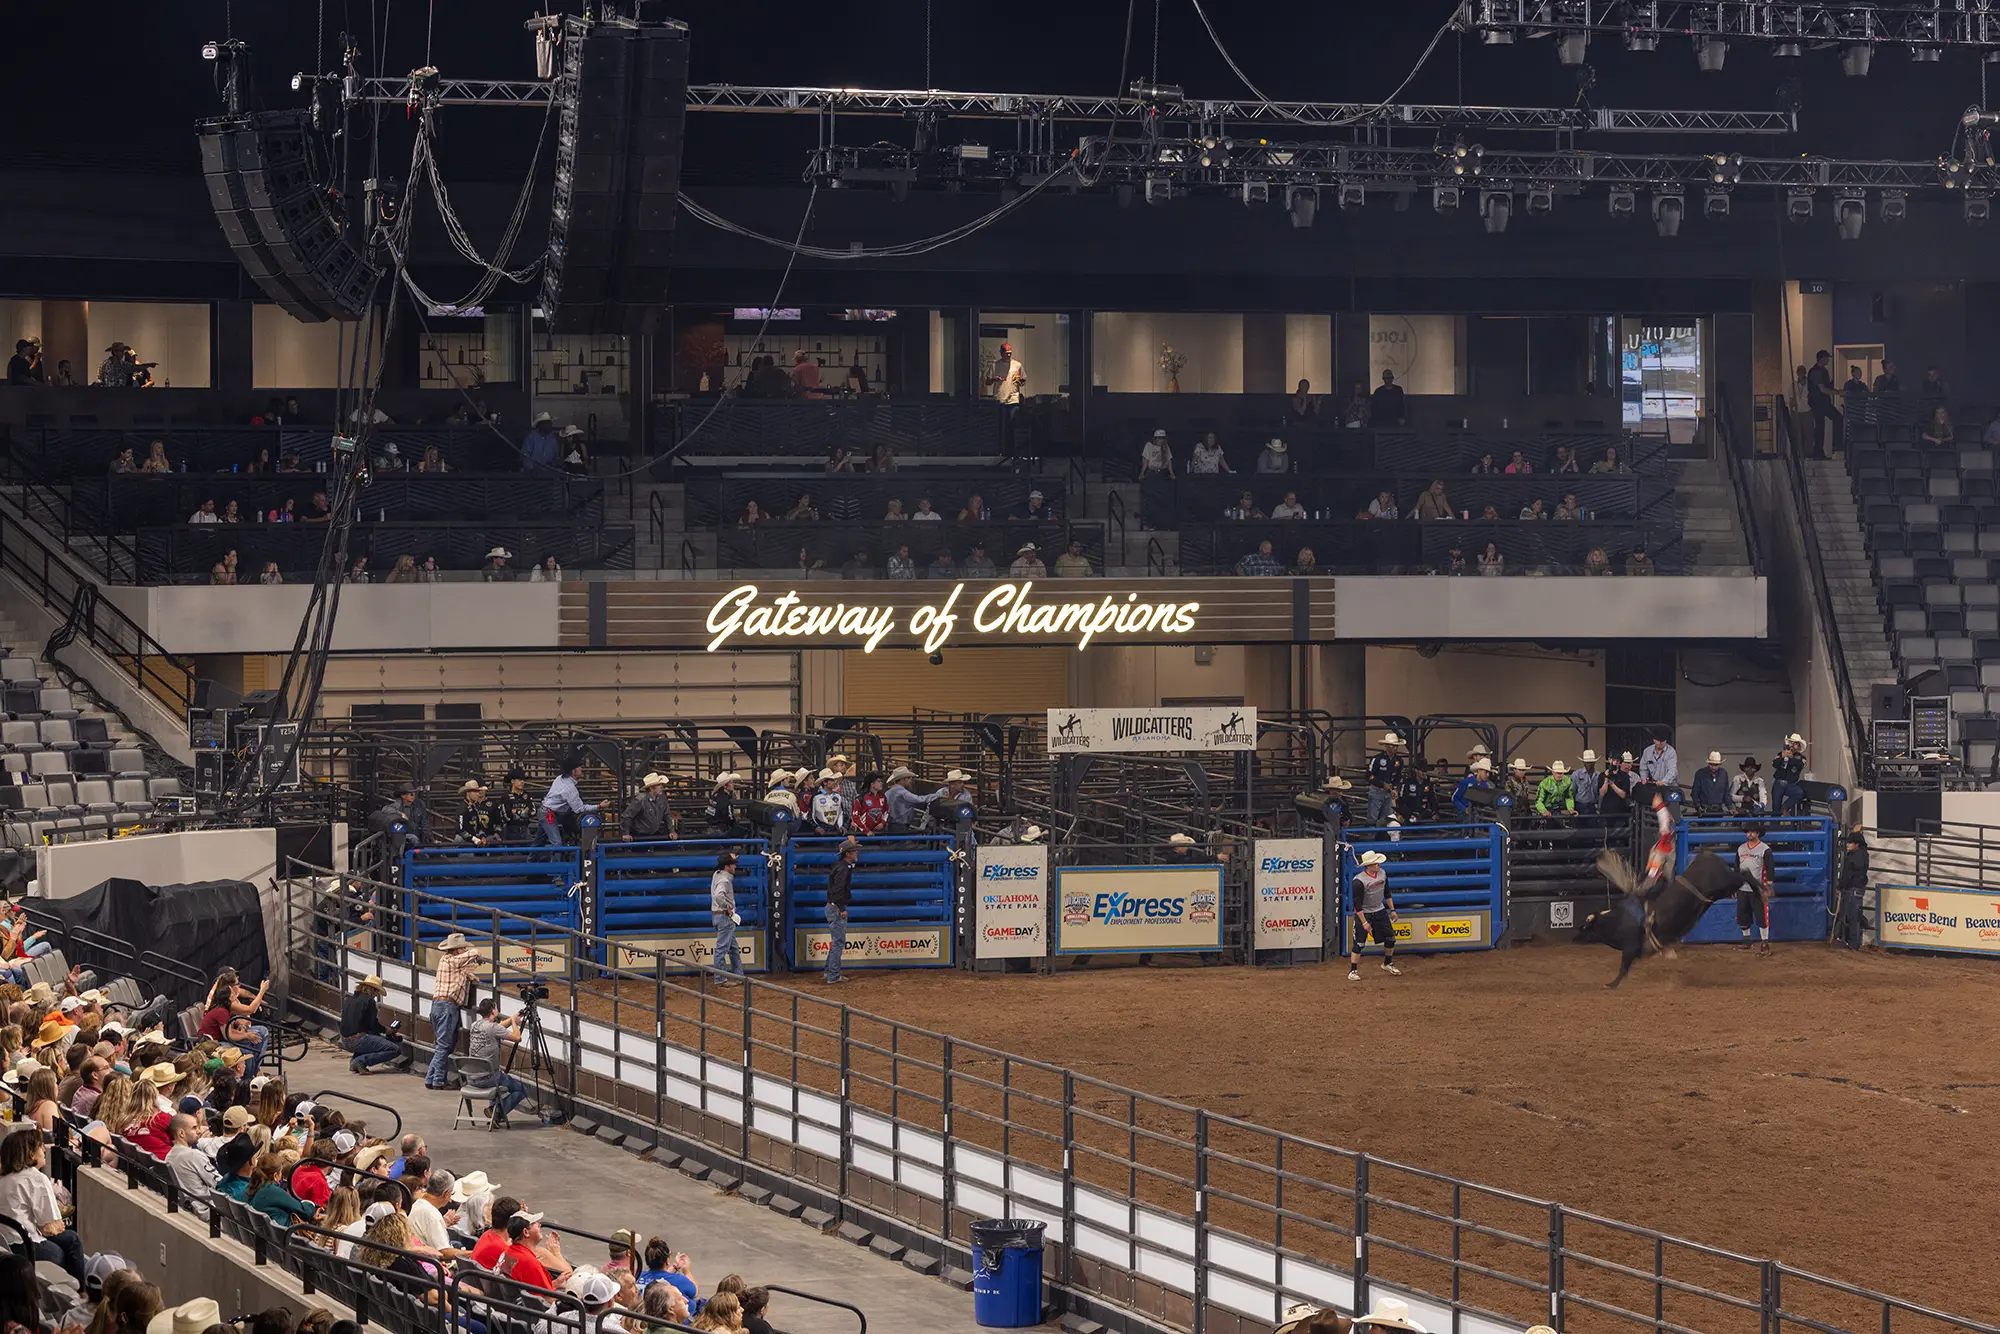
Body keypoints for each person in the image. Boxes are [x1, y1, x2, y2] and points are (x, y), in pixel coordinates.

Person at [0, 1128, 82, 1279]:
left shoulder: (3, 1179)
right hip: (23, 1245)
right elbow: (49, 1227)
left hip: (5, 1244)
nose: (44, 1149)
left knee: (69, 1239)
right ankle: (78, 1293)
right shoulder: (36, 1178)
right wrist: (54, 1225)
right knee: (69, 1243)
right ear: (31, 1153)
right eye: (41, 1145)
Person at [425, 933, 481, 1091]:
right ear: (456, 950)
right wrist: (477, 956)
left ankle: (431, 1078)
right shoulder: (451, 960)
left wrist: (470, 975)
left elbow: (460, 971)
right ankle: (437, 1081)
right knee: (444, 1045)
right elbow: (474, 952)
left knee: (443, 1045)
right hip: (446, 1007)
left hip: (440, 1005)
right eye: (462, 948)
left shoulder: (448, 961)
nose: (464, 950)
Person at [464, 999, 530, 1126]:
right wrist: (514, 1023)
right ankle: (496, 1112)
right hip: (489, 1078)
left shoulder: (475, 1025)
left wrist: (511, 1019)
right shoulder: (493, 1028)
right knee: (522, 1090)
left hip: (471, 1077)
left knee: (500, 1079)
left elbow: (497, 1028)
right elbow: (517, 1038)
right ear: (493, 1011)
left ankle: (494, 1113)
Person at [199, 969, 270, 1071]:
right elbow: (228, 1036)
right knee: (247, 1051)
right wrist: (246, 1035)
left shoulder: (224, 1008)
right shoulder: (221, 1011)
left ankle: (254, 1070)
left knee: (258, 1034)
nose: (235, 995)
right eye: (232, 994)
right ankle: (249, 1075)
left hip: (222, 1039)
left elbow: (232, 1030)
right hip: (213, 1043)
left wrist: (242, 1028)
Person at [1347, 850, 1400, 981]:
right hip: (1364, 913)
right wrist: (1364, 922)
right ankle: (1353, 970)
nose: (1378, 865)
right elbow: (1357, 905)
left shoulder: (1382, 874)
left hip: (1379, 910)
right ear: (1368, 865)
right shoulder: (1358, 881)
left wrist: (1392, 910)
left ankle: (1387, 963)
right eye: (1375, 863)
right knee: (1359, 943)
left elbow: (1387, 893)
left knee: (1390, 938)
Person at [340, 975, 404, 1075]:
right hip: (358, 1039)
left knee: (373, 1039)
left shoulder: (349, 999)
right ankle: (359, 1062)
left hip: (344, 1040)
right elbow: (373, 1025)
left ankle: (355, 1061)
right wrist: (386, 1030)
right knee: (394, 1049)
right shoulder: (369, 1001)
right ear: (373, 990)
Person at [539, 756, 611, 846]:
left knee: (539, 841)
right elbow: (579, 809)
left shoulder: (560, 778)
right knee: (557, 844)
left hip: (548, 811)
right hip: (549, 814)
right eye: (578, 767)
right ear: (573, 771)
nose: (581, 769)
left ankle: (531, 859)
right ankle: (557, 860)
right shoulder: (569, 788)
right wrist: (599, 806)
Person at [1735, 825, 1774, 957]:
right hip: (1742, 887)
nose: (1749, 834)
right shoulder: (1741, 848)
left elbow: (1770, 868)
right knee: (1743, 915)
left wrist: (1768, 886)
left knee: (1761, 916)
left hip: (1757, 889)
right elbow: (1736, 868)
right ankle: (1747, 941)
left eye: (1752, 831)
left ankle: (1765, 943)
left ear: (1758, 833)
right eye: (1748, 832)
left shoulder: (1765, 849)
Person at [822, 838, 857, 985]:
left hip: (832, 906)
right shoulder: (844, 868)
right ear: (848, 854)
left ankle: (829, 971)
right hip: (836, 907)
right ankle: (833, 975)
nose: (857, 853)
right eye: (854, 851)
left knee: (836, 942)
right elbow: (838, 890)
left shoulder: (841, 866)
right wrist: (842, 908)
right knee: (838, 942)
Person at [711, 853, 742, 984]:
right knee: (722, 949)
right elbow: (718, 896)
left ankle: (738, 976)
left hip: (718, 916)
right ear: (727, 866)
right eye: (733, 864)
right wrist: (728, 909)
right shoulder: (724, 880)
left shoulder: (717, 874)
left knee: (733, 948)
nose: (735, 866)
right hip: (724, 917)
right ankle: (720, 978)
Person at [1834, 827, 1868, 949]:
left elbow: (1848, 874)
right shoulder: (1864, 855)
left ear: (1856, 844)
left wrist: (1840, 886)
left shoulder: (1853, 857)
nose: (1848, 844)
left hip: (1852, 889)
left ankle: (1853, 943)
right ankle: (1854, 941)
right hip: (1859, 888)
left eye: (1850, 843)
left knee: (1851, 916)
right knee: (1854, 916)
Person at [884, 765, 943, 834]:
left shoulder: (888, 792)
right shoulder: (902, 792)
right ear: (902, 780)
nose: (910, 780)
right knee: (900, 843)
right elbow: (919, 799)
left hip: (891, 823)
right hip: (901, 824)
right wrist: (937, 795)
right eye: (908, 778)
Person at [621, 772, 674, 842]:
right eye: (659, 785)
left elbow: (667, 815)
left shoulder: (662, 799)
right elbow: (627, 816)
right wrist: (626, 833)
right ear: (652, 788)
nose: (661, 787)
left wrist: (671, 831)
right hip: (640, 835)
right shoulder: (640, 800)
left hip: (654, 834)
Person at [1365, 733, 1403, 827]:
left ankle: (1382, 838)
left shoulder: (1399, 761)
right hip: (1376, 790)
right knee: (1373, 818)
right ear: (1386, 746)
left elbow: (1398, 777)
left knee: (1387, 818)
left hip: (1389, 792)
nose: (1395, 748)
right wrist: (1382, 784)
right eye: (1393, 746)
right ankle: (1371, 837)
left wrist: (1395, 788)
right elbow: (1369, 775)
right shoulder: (1377, 759)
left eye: (1396, 746)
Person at [1806, 350, 1838, 460]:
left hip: (1823, 402)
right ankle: (1820, 452)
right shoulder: (1816, 372)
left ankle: (1820, 452)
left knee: (1822, 426)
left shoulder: (1823, 371)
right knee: (1821, 427)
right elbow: (1822, 389)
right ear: (1822, 358)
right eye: (1827, 358)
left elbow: (1826, 386)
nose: (1828, 360)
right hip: (1818, 403)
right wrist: (1837, 392)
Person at [1771, 733, 1807, 816]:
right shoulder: (1781, 754)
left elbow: (1800, 765)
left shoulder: (1801, 757)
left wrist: (1790, 758)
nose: (1794, 746)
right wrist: (1782, 757)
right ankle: (1775, 827)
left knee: (1799, 793)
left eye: (1796, 744)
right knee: (1776, 809)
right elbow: (1774, 764)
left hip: (1790, 784)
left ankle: (1785, 807)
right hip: (1778, 783)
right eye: (1793, 743)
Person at [456, 780, 499, 846]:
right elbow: (460, 829)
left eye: (478, 791)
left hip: (474, 841)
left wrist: (482, 836)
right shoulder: (462, 808)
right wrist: (474, 839)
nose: (478, 794)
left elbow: (478, 825)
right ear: (468, 793)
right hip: (465, 843)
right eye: (475, 791)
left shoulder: (474, 807)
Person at [1394, 759, 1435, 828]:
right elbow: (1401, 801)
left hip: (1423, 815)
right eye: (1422, 771)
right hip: (1409, 815)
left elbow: (1433, 799)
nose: (1424, 773)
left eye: (1425, 771)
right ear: (1416, 770)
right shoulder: (1407, 782)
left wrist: (1435, 812)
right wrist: (1408, 814)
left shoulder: (1428, 784)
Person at [1572, 749, 1601, 817]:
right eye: (1588, 762)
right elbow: (1572, 792)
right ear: (1584, 763)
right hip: (1579, 806)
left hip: (1593, 806)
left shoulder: (1599, 775)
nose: (1590, 764)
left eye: (1591, 762)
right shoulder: (1576, 774)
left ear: (1594, 763)